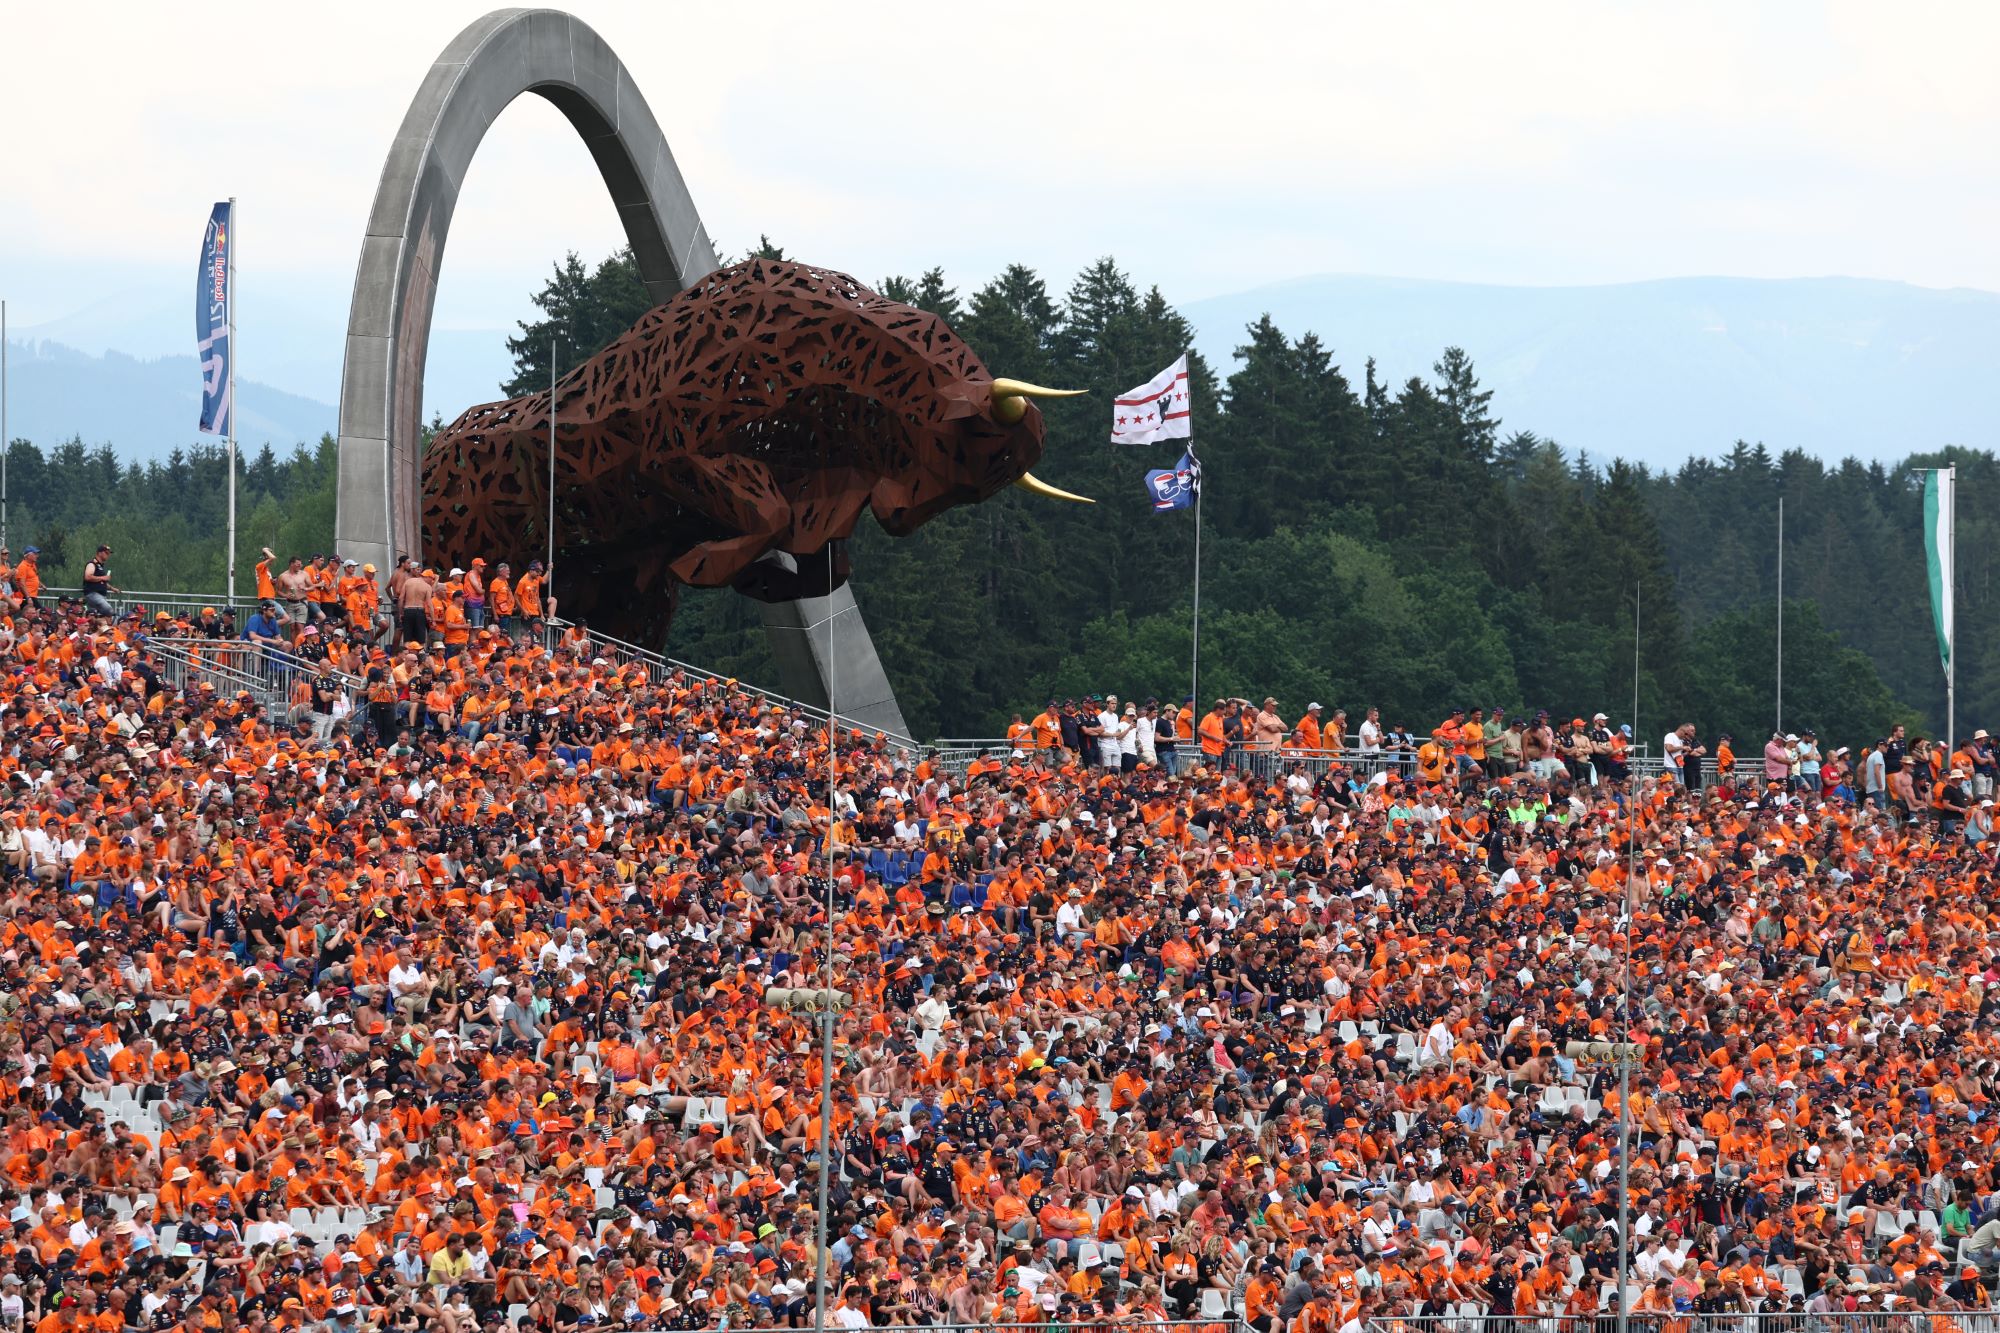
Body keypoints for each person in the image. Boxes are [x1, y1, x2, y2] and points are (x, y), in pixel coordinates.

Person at [81, 544, 117, 617]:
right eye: (106, 553)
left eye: (109, 553)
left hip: (100, 595)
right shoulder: (92, 564)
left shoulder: (100, 566)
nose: (108, 555)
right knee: (109, 610)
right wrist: (103, 578)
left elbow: (101, 582)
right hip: (93, 594)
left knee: (97, 616)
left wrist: (112, 588)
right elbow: (88, 576)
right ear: (99, 553)